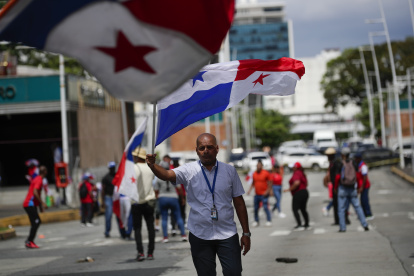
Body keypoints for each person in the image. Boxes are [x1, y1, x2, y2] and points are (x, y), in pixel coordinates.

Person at [146, 133, 250, 276]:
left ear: (217, 149)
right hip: (200, 235)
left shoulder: (229, 171)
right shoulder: (189, 170)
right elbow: (167, 175)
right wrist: (152, 165)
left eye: (210, 147)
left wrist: (246, 233)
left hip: (227, 233)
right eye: (202, 148)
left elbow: (239, 203)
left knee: (234, 272)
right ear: (196, 150)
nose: (206, 150)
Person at [334, 148, 369, 233]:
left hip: (343, 188)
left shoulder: (341, 163)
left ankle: (342, 227)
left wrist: (335, 188)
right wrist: (358, 187)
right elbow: (357, 175)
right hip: (352, 187)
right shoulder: (353, 163)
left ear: (343, 155)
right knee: (357, 207)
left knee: (341, 209)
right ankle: (364, 224)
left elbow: (338, 177)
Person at [131, 147, 156, 262]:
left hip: (136, 202)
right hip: (149, 200)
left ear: (137, 157)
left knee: (137, 228)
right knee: (151, 228)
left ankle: (140, 252)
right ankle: (150, 253)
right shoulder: (150, 168)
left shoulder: (134, 168)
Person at [154, 161, 187, 243]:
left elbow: (156, 190)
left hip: (163, 197)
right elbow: (179, 188)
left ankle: (165, 237)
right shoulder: (173, 175)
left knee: (164, 218)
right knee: (178, 216)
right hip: (173, 197)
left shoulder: (158, 177)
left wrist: (157, 197)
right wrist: (182, 198)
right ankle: (183, 235)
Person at [22, 165, 48, 249]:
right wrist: (43, 203)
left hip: (30, 204)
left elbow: (37, 194)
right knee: (36, 222)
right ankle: (29, 241)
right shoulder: (39, 180)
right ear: (45, 172)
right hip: (29, 204)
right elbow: (35, 192)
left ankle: (30, 241)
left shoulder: (37, 179)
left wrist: (40, 207)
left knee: (35, 223)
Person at [324, 147, 350, 226]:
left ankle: (343, 219)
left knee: (340, 203)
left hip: (338, 186)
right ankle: (338, 220)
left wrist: (335, 187)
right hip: (335, 185)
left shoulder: (336, 163)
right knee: (336, 203)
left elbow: (337, 176)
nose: (327, 157)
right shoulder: (332, 163)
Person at [284, 162, 310, 230]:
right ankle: (306, 223)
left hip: (299, 193)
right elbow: (306, 184)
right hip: (304, 192)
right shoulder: (302, 173)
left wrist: (289, 189)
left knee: (295, 209)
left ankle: (299, 224)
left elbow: (297, 183)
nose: (292, 168)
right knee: (303, 209)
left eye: (293, 166)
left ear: (296, 167)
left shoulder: (297, 173)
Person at [247, 160, 272, 227]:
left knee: (265, 207)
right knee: (256, 208)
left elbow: (270, 182)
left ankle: (269, 220)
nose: (258, 167)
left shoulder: (265, 173)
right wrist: (249, 190)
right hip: (257, 194)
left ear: (262, 166)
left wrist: (268, 191)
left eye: (259, 165)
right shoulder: (254, 173)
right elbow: (253, 183)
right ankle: (256, 221)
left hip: (264, 194)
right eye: (257, 166)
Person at [354, 153, 374, 220]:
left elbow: (365, 177)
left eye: (356, 158)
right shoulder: (358, 165)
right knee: (362, 201)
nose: (355, 160)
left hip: (365, 186)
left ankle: (368, 214)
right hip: (360, 186)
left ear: (359, 158)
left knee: (365, 200)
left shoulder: (363, 166)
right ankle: (364, 214)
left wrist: (362, 187)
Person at [101, 161, 116, 238]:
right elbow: (103, 190)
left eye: (113, 168)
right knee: (108, 215)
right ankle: (107, 231)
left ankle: (123, 232)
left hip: (117, 197)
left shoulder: (117, 175)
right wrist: (103, 201)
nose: (113, 169)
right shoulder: (106, 178)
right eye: (111, 168)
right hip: (108, 197)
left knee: (119, 215)